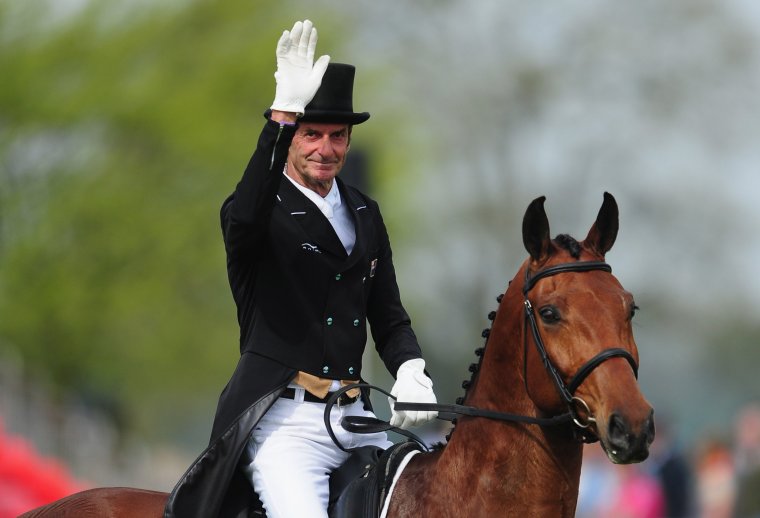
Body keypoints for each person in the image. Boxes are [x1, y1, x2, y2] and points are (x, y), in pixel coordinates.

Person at [164, 20, 437, 518]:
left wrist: (410, 367)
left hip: (355, 416)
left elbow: (388, 314)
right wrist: (280, 116)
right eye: (311, 134)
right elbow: (246, 211)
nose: (325, 149)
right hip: (285, 424)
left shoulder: (364, 212)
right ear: (292, 137)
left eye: (337, 136)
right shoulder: (257, 214)